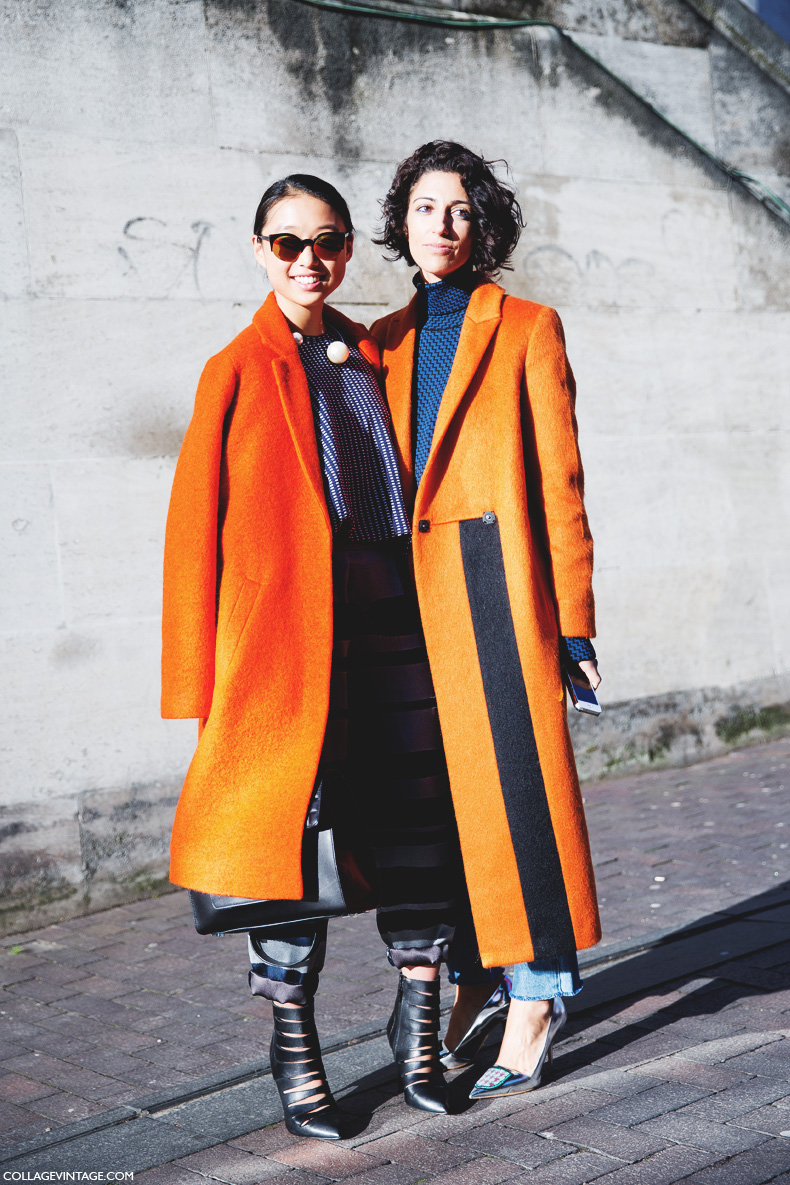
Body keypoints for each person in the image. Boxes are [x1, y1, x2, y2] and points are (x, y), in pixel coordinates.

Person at [161, 173, 490, 1139]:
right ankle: (295, 1049)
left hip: (398, 625)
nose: (309, 260)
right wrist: (198, 683)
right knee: (287, 848)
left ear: (348, 249)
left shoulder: (375, 354)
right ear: (260, 249)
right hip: (284, 650)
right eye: (287, 242)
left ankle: (421, 1035)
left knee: (419, 827)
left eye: (328, 241)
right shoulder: (234, 368)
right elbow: (191, 535)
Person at [371, 140, 603, 1098]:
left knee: (521, 800)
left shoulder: (527, 326)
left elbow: (561, 484)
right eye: (426, 208)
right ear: (403, 222)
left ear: (486, 225)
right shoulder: (374, 339)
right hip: (405, 606)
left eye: (461, 209)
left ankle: (539, 993)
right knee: (442, 812)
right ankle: (472, 980)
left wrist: (574, 621)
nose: (443, 226)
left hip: (497, 590)